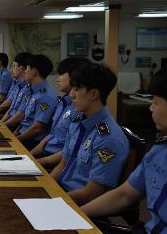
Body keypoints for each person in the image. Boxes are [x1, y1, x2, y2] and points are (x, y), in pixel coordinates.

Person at [81, 69, 167, 234]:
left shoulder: (109, 136)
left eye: (156, 103)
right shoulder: (160, 150)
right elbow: (125, 194)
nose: (151, 108)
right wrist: (76, 214)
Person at [50, 62, 129, 206]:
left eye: (77, 89)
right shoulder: (78, 122)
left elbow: (91, 193)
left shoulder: (108, 139)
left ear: (93, 94)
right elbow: (62, 165)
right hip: (62, 193)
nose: (71, 94)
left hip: (78, 205)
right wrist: (46, 190)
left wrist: (52, 202)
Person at [31, 57, 90, 169]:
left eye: (62, 74)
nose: (58, 79)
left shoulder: (80, 111)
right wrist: (30, 155)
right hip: (45, 154)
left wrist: (36, 162)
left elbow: (68, 154)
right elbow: (52, 135)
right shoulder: (64, 103)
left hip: (55, 162)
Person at [14, 54, 58, 150]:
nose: (25, 71)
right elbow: (24, 120)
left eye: (28, 68)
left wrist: (15, 141)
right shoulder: (34, 91)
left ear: (34, 72)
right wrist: (13, 136)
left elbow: (37, 128)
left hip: (32, 142)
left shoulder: (46, 95)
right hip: (22, 135)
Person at [0, 52, 32, 128]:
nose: (11, 69)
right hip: (10, 121)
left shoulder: (29, 88)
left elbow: (19, 116)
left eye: (14, 66)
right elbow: (11, 107)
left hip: (15, 124)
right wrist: (1, 122)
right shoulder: (18, 85)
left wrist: (1, 126)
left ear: (22, 68)